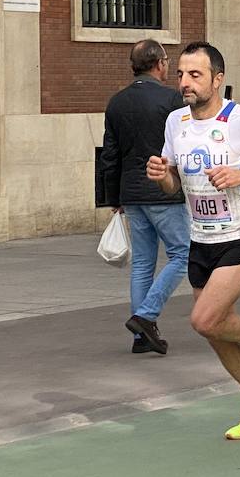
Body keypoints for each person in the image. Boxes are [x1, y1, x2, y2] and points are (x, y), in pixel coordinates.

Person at [145, 41, 240, 440]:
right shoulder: (175, 122)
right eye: (180, 74)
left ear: (218, 79)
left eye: (195, 75)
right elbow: (173, 184)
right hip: (201, 235)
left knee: (204, 319)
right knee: (212, 329)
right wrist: (162, 174)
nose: (185, 82)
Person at [98, 39, 188, 355]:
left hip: (131, 193)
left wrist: (113, 198)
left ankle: (141, 337)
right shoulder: (173, 100)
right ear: (159, 63)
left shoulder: (117, 102)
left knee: (142, 263)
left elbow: (109, 155)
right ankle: (145, 317)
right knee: (183, 253)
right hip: (162, 191)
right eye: (167, 60)